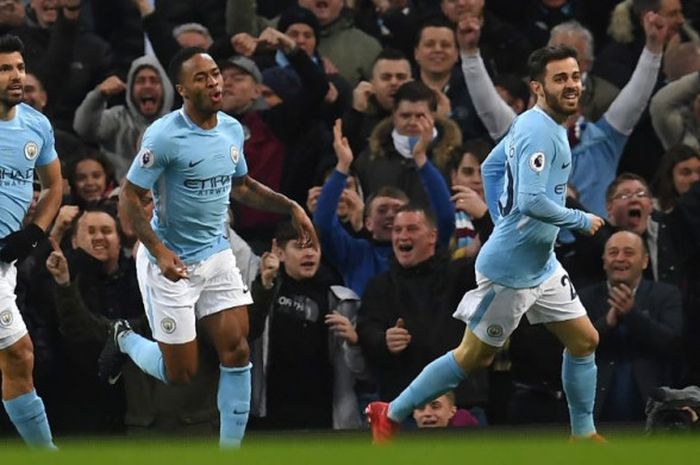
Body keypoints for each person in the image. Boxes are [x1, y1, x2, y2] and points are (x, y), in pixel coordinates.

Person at [365, 44, 606, 442]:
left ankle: (583, 433)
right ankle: (390, 412)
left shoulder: (536, 123)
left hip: (541, 263)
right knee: (473, 356)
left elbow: (492, 164)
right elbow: (530, 200)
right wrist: (578, 219)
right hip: (510, 271)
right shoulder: (538, 131)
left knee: (585, 340)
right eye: (560, 78)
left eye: (575, 76)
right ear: (538, 87)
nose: (571, 85)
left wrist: (500, 217)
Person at [99, 46, 319, 448]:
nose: (214, 82)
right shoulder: (163, 135)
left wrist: (290, 206)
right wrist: (159, 251)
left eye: (216, 73)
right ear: (181, 88)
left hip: (216, 254)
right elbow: (129, 197)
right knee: (179, 372)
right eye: (201, 78)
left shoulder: (232, 129)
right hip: (170, 259)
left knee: (237, 350)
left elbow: (242, 186)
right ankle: (125, 339)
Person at [0, 34, 62, 449]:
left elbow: (54, 186)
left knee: (17, 358)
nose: (16, 76)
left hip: (7, 263)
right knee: (20, 353)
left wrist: (33, 234)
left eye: (19, 67)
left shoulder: (36, 124)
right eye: (5, 68)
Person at [579, 231, 683, 423]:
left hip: (652, 410)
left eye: (628, 252)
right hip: (596, 411)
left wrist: (632, 314)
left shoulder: (666, 296)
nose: (619, 258)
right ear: (604, 261)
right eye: (613, 252)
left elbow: (673, 345)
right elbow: (574, 347)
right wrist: (607, 323)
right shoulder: (584, 298)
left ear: (644, 261)